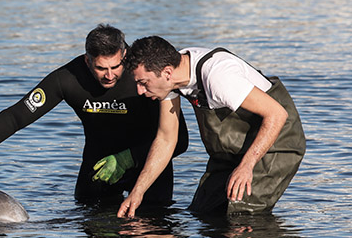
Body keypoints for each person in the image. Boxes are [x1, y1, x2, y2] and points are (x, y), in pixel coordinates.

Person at [0, 24, 188, 208]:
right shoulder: (67, 79)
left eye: (116, 67)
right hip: (96, 167)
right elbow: (16, 117)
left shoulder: (145, 79)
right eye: (100, 68)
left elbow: (181, 140)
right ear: (86, 61)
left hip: (149, 165)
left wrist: (128, 158)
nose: (109, 75)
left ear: (125, 56)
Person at [118, 36, 305, 218]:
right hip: (232, 150)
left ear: (167, 72)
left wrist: (246, 166)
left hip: (276, 143)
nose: (139, 91)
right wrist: (137, 192)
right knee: (203, 212)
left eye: (143, 83)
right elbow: (166, 139)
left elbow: (277, 114)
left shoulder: (219, 76)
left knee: (241, 214)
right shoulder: (172, 78)